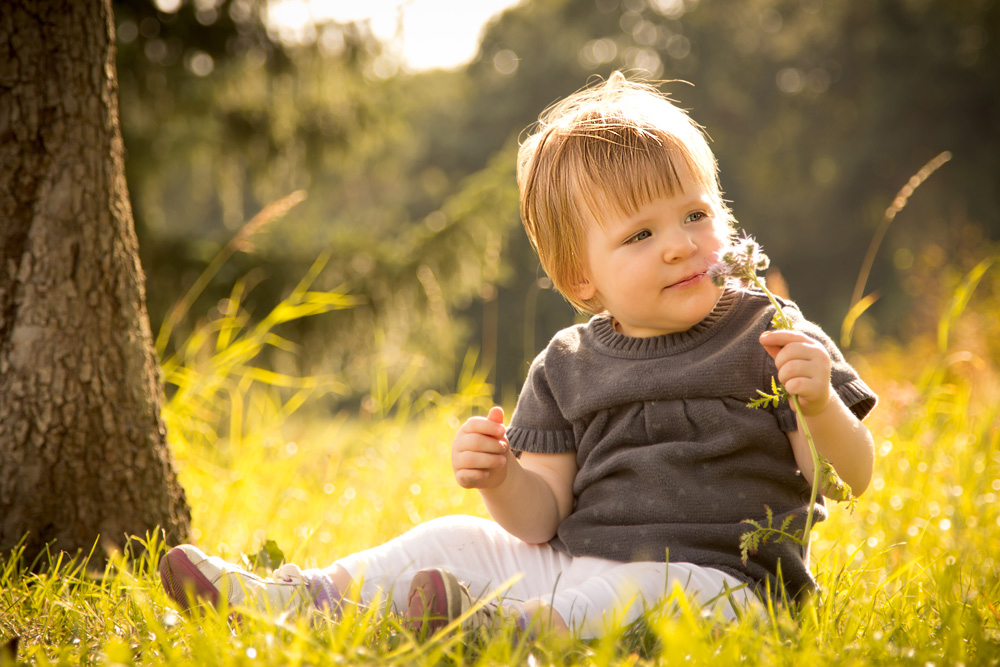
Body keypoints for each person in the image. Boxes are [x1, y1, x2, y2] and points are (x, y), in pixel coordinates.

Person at [159, 72, 877, 640]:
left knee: (639, 594)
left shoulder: (770, 330)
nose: (681, 242)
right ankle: (305, 597)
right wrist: (501, 478)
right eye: (640, 234)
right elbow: (539, 520)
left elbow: (847, 482)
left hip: (724, 586)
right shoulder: (567, 364)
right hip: (569, 566)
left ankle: (491, 632)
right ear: (581, 279)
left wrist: (816, 404)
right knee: (455, 535)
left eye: (696, 214)